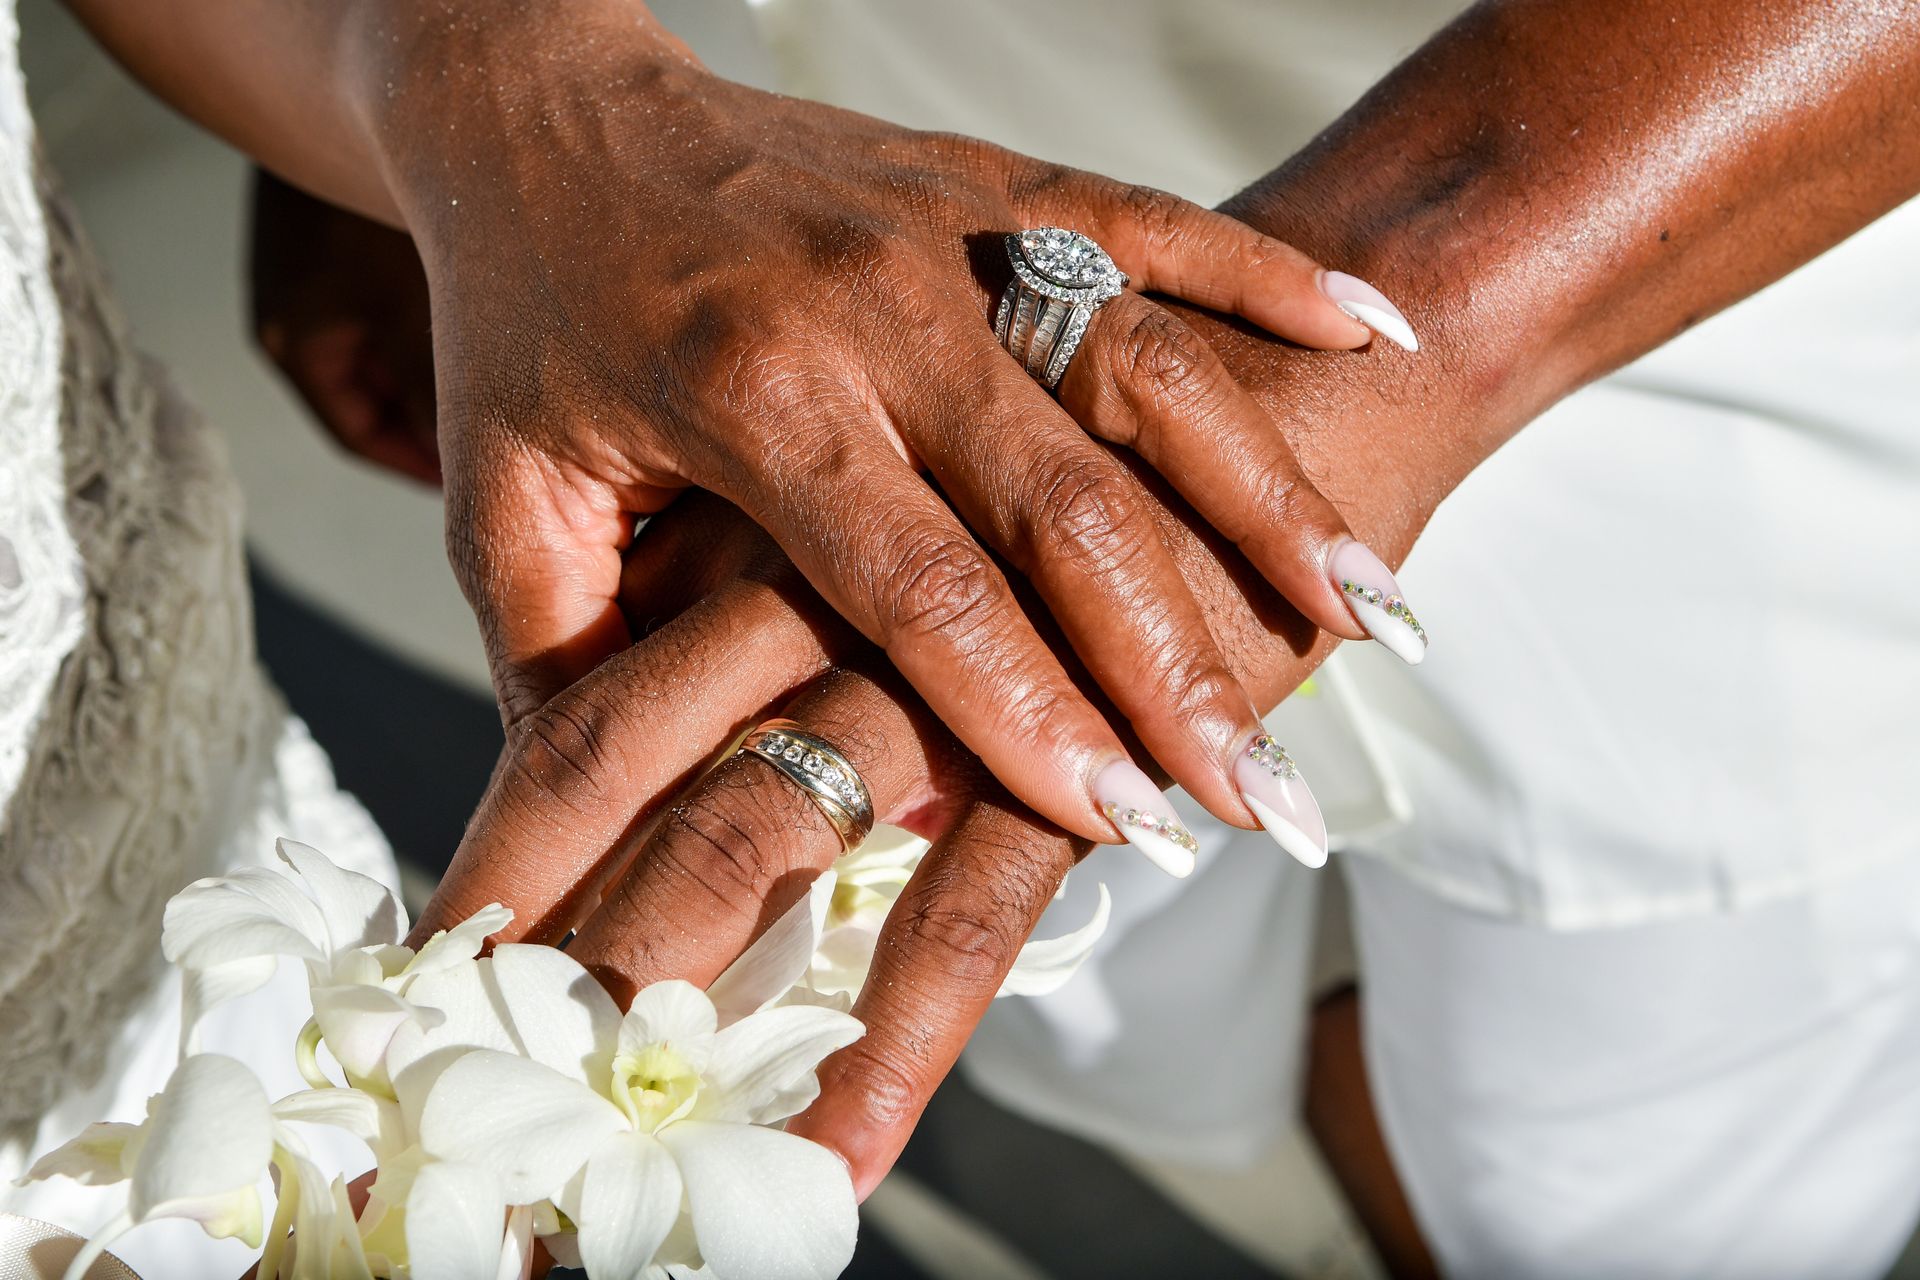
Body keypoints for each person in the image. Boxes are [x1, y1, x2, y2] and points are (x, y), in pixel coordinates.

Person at [275, 2, 1917, 1276]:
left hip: (1704, 280)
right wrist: (472, 91)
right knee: (1103, 1010)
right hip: (859, 236)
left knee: (1560, 1192)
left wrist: (1405, 326)